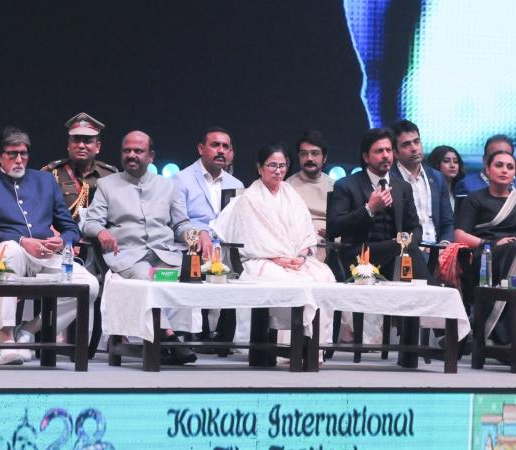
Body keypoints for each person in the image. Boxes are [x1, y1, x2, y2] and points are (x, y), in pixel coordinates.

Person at [0, 126, 98, 365]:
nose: (19, 159)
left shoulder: (45, 180)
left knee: (89, 284)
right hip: (8, 254)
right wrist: (20, 240)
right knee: (10, 250)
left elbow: (71, 228)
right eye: (12, 154)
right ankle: (5, 340)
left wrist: (62, 240)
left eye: (23, 154)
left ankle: (29, 329)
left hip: (46, 256)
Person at [83, 130, 211, 365]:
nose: (131, 155)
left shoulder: (167, 186)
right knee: (145, 279)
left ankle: (168, 341)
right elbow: (90, 222)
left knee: (186, 280)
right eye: (127, 150)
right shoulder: (106, 185)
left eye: (138, 151)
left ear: (150, 156)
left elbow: (181, 224)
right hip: (128, 257)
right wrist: (101, 232)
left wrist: (199, 233)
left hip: (164, 255)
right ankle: (169, 339)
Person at [212, 142, 335, 350]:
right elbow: (251, 240)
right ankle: (285, 348)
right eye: (272, 166)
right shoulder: (250, 198)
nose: (278, 171)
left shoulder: (292, 195)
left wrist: (303, 256)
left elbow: (306, 234)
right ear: (260, 168)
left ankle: (313, 347)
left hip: (296, 260)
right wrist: (278, 259)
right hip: (261, 260)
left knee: (324, 277)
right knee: (287, 283)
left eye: (282, 165)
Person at [327, 128, 432, 366]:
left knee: (406, 248)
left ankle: (413, 342)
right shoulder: (347, 185)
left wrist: (408, 240)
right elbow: (334, 227)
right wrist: (369, 209)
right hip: (358, 257)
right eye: (379, 151)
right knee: (404, 250)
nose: (385, 156)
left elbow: (415, 227)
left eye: (388, 150)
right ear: (366, 157)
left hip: (395, 256)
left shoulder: (402, 187)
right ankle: (435, 319)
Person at [454, 151, 516, 351]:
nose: (504, 170)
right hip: (487, 257)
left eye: (510, 167)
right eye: (499, 165)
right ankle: (501, 332)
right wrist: (492, 243)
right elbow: (459, 235)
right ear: (487, 170)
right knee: (510, 248)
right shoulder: (475, 200)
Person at [172, 126, 243, 347]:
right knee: (199, 257)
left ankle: (225, 337)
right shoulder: (180, 180)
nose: (221, 151)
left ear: (231, 153)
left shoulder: (237, 185)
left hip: (225, 247)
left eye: (225, 147)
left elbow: (238, 225)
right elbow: (177, 224)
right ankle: (197, 332)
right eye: (215, 145)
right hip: (191, 247)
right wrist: (198, 234)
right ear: (201, 148)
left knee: (247, 265)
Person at [41, 112, 118, 222]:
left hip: (99, 236)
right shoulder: (51, 173)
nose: (81, 145)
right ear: (68, 145)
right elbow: (40, 211)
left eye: (87, 141)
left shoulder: (110, 175)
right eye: (76, 140)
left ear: (98, 147)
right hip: (62, 236)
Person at [390, 120, 454, 244]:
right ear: (395, 153)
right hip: (408, 248)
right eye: (406, 145)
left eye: (416, 141)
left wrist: (444, 245)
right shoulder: (390, 180)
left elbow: (448, 222)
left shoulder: (437, 177)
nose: (414, 148)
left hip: (439, 247)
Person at [286, 130, 334, 262]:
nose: (309, 159)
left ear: (324, 158)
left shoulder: (335, 186)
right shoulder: (287, 187)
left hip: (332, 246)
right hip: (297, 247)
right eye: (304, 154)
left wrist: (334, 232)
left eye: (315, 153)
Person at [455, 134, 516, 207]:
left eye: (506, 155)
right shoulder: (467, 186)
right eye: (496, 156)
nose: (502, 160)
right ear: (485, 160)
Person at [427, 145, 465, 212]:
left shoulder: (461, 193)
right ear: (436, 164)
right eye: (446, 161)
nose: (452, 165)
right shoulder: (428, 193)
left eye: (456, 161)